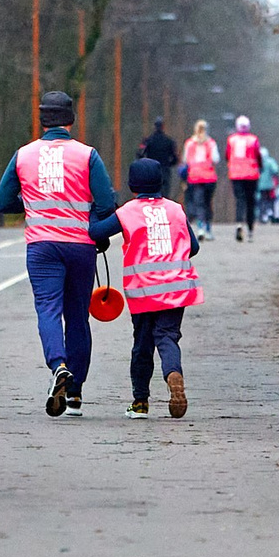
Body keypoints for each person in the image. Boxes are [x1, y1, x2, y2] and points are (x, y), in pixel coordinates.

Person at [0, 90, 118, 416]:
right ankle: (74, 394)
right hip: (80, 247)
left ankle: (58, 365)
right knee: (77, 316)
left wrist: (30, 205)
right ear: (71, 120)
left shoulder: (23, 155)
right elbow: (106, 204)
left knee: (48, 309)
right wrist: (91, 223)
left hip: (41, 246)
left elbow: (1, 202)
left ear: (42, 120)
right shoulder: (87, 156)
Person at [92, 157, 201, 418]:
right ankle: (173, 374)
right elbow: (193, 247)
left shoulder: (128, 211)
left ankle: (140, 402)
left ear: (132, 185)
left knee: (142, 344)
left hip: (143, 291)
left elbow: (96, 233)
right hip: (177, 287)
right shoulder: (176, 210)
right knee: (167, 336)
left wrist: (95, 210)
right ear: (160, 182)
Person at [224, 115, 264, 241]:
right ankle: (250, 230)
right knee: (250, 202)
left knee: (239, 200)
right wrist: (260, 167)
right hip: (251, 174)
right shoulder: (253, 140)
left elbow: (227, 155)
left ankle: (239, 223)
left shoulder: (231, 140)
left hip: (236, 174)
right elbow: (258, 156)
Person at [181, 118, 218, 237]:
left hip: (194, 177)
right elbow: (216, 159)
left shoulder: (189, 143)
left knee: (199, 203)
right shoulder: (211, 143)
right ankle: (208, 229)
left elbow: (185, 160)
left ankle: (200, 227)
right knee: (208, 202)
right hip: (209, 177)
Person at [139, 118, 179, 196]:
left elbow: (139, 154)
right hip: (164, 171)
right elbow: (175, 158)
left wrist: (146, 164)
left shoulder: (148, 140)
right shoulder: (169, 141)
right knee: (164, 196)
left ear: (154, 126)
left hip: (151, 172)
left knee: (151, 195)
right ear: (163, 127)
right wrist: (168, 164)